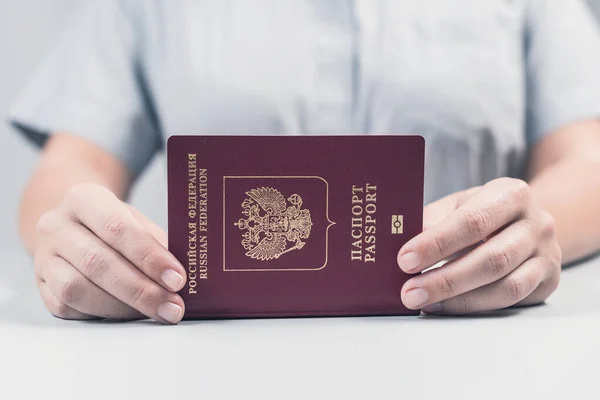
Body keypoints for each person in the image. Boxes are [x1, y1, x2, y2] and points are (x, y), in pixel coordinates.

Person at [9, 0, 600, 324]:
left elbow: (587, 157)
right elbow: (71, 167)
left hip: (473, 345)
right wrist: (81, 240)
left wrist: (522, 232)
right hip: (211, 368)